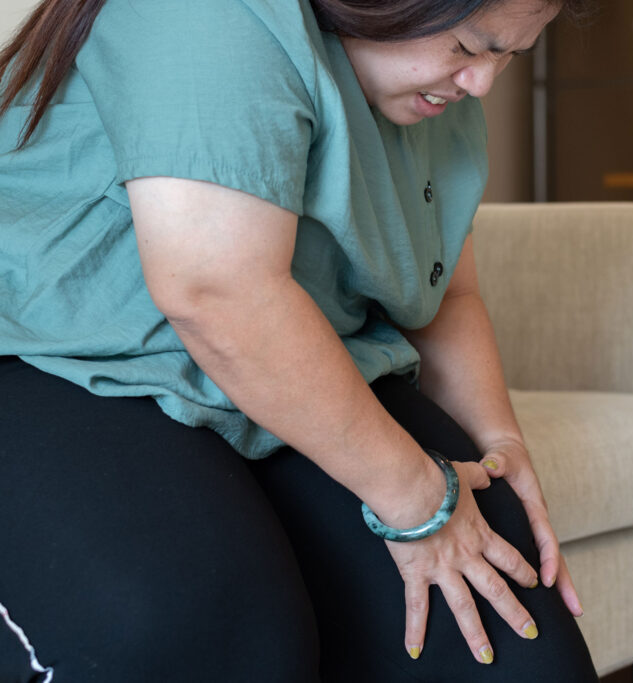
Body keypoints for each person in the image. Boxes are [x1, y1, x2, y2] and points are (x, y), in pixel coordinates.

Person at [0, 0, 599, 680]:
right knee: (206, 630)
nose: (483, 83)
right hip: (57, 357)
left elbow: (443, 295)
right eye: (468, 46)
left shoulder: (429, 95)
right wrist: (416, 500)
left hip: (276, 373)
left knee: (516, 649)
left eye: (508, 55)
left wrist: (501, 443)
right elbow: (218, 293)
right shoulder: (207, 16)